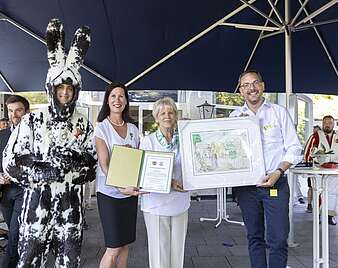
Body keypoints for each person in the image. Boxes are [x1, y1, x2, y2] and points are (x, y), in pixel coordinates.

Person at [3, 18, 96, 267]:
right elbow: (10, 162)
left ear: (76, 91)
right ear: (50, 89)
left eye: (70, 88)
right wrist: (40, 169)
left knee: (68, 262)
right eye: (59, 88)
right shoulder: (33, 120)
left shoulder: (84, 123)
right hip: (36, 208)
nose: (64, 93)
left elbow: (92, 165)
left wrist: (76, 162)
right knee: (30, 259)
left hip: (70, 209)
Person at [230, 70, 302, 268]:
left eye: (255, 83)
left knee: (278, 239)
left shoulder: (278, 112)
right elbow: (230, 154)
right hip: (247, 188)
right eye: (246, 85)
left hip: (276, 183)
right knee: (254, 237)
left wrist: (278, 171)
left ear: (262, 86)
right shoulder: (234, 116)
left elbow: (295, 148)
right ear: (240, 91)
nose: (251, 88)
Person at [94, 82, 143, 268]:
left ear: (126, 100)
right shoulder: (102, 128)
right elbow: (104, 164)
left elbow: (138, 160)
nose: (117, 100)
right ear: (107, 100)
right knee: (113, 247)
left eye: (121, 96)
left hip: (130, 193)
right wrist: (119, 188)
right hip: (109, 194)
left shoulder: (133, 128)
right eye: (113, 96)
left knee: (124, 245)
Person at [140, 97, 190, 268]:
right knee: (160, 251)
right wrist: (169, 182)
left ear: (175, 116)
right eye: (162, 113)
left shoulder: (184, 140)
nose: (167, 116)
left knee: (178, 251)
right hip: (156, 205)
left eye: (171, 112)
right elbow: (144, 173)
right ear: (156, 117)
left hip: (181, 202)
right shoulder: (149, 141)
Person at [0, 95, 29, 268]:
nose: (14, 115)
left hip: (24, 191)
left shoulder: (35, 137)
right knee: (14, 234)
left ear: (26, 112)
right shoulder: (1, 135)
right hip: (4, 194)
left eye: (18, 110)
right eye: (10, 111)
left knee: (15, 235)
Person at [304, 116, 338, 225]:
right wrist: (310, 161)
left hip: (334, 170)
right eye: (325, 123)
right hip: (319, 169)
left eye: (330, 123)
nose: (327, 124)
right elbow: (307, 152)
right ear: (322, 124)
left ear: (334, 124)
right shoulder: (315, 136)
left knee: (333, 193)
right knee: (319, 192)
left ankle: (329, 216)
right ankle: (318, 214)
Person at [304, 125, 321, 213]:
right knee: (311, 187)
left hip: (322, 168)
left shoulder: (322, 140)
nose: (315, 133)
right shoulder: (312, 138)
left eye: (317, 131)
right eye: (314, 131)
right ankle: (309, 204)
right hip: (312, 166)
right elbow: (306, 152)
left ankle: (322, 208)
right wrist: (307, 163)